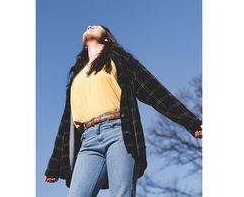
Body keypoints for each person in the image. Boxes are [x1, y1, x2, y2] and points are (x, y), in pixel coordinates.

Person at [44, 25, 202, 197]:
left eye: (95, 27)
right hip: (87, 141)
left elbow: (154, 90)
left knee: (121, 194)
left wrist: (191, 122)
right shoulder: (77, 76)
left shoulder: (119, 60)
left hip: (119, 133)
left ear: (106, 38)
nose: (89, 26)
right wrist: (54, 165)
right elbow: (66, 122)